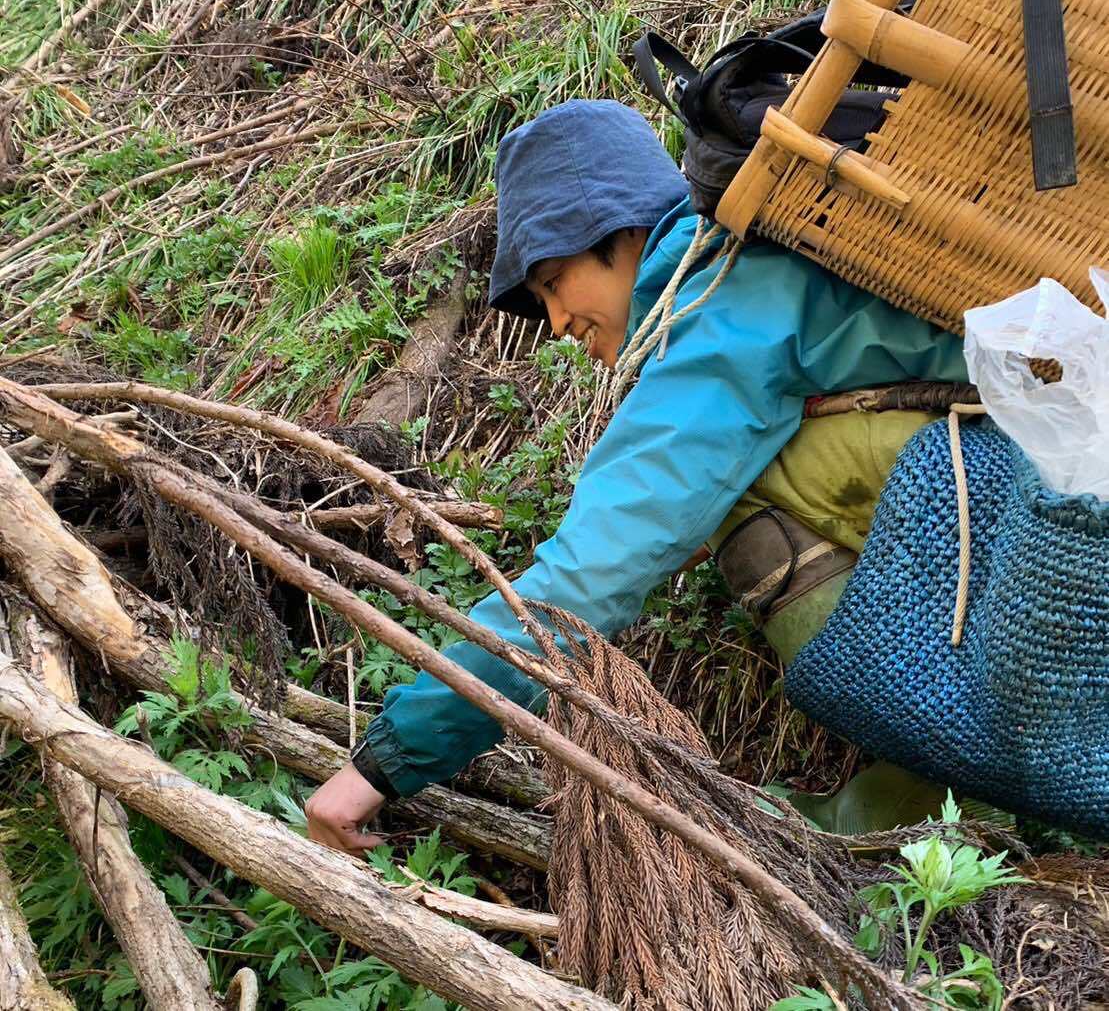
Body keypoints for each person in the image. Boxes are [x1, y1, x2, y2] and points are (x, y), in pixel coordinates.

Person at [306, 99, 968, 854]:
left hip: (1035, 505)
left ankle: (944, 781)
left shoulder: (721, 300)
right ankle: (925, 782)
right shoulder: (751, 272)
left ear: (624, 235)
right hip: (1031, 473)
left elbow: (589, 575)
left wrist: (381, 764)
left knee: (742, 496)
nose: (557, 323)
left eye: (554, 280)